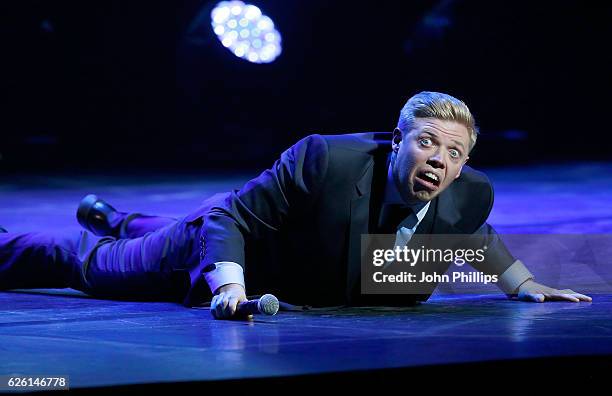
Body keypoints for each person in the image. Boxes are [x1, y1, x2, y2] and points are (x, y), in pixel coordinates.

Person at [0, 91, 591, 320]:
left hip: (300, 252)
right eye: (426, 142)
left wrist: (525, 284)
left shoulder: (469, 192)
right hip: (231, 248)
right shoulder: (324, 161)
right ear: (397, 142)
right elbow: (231, 219)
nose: (438, 158)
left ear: (463, 166)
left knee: (157, 225)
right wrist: (229, 286)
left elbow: (477, 235)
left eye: (453, 151)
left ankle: (118, 215)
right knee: (91, 266)